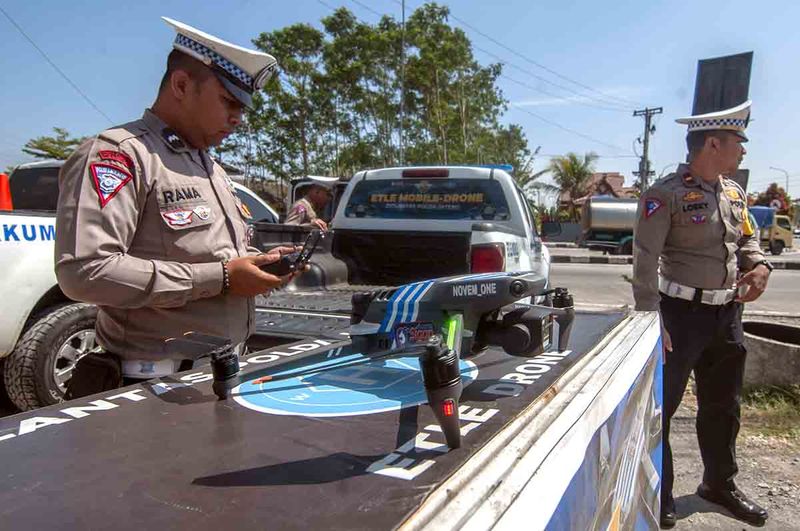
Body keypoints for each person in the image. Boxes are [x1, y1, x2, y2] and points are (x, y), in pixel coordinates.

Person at [56, 17, 301, 397]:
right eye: (228, 102)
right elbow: (85, 270)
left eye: (243, 107)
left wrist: (257, 264)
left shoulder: (211, 168)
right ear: (182, 85)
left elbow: (212, 254)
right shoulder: (121, 154)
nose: (238, 118)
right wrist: (220, 278)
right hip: (151, 388)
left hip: (222, 376)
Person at [632, 100, 772, 528]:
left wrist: (760, 265)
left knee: (723, 405)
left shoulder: (734, 192)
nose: (743, 151)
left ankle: (718, 484)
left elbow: (747, 240)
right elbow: (644, 257)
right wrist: (649, 317)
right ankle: (662, 491)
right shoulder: (664, 194)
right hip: (678, 315)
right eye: (737, 142)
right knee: (665, 408)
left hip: (726, 313)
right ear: (713, 143)